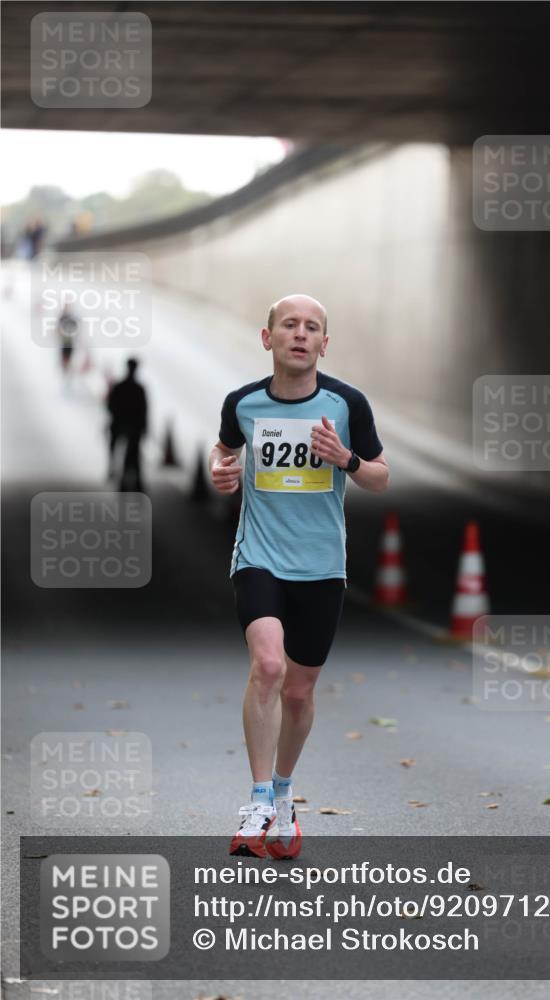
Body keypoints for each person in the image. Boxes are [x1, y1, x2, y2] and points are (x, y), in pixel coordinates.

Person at [209, 294, 389, 859]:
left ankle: (284, 795)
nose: (300, 334)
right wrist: (219, 471)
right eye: (289, 325)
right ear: (269, 339)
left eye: (312, 327)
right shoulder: (242, 404)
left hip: (321, 568)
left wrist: (347, 460)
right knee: (267, 665)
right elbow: (222, 451)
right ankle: (258, 799)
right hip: (259, 558)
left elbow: (381, 477)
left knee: (300, 690)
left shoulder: (346, 404)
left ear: (323, 344)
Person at [107, 358, 148, 491]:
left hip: (122, 424)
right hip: (130, 425)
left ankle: (116, 471)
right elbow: (143, 411)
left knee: (128, 453)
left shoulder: (120, 386)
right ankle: (135, 482)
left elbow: (110, 406)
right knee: (134, 454)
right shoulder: (138, 388)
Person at [56, 304, 79, 375]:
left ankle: (68, 368)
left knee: (69, 353)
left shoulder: (71, 318)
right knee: (65, 353)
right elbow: (58, 329)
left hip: (70, 341)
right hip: (64, 341)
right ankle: (65, 369)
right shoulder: (62, 318)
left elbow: (75, 327)